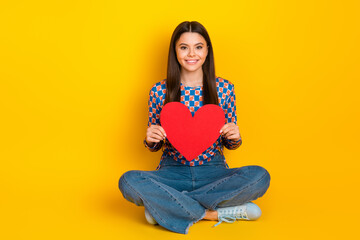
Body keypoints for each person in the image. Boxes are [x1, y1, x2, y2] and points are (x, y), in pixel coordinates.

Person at [118, 21, 271, 234]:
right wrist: (151, 140)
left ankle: (168, 207)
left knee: (261, 176)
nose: (192, 54)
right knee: (128, 181)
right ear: (175, 52)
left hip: (213, 172)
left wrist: (234, 136)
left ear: (207, 51)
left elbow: (230, 144)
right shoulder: (159, 91)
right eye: (184, 47)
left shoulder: (224, 89)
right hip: (172, 173)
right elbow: (154, 146)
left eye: (198, 47)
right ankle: (212, 214)